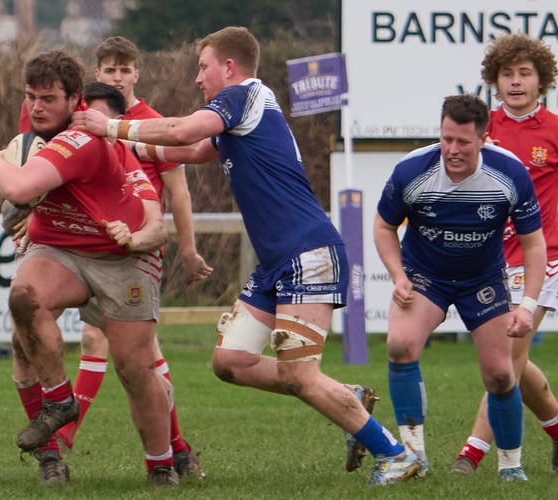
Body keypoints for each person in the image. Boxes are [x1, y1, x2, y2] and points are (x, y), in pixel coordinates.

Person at [72, 26, 421, 486]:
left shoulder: (243, 94)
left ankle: (395, 454)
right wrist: (122, 147)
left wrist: (111, 127)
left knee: (299, 375)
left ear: (229, 67)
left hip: (308, 253)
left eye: (203, 67)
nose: (198, 78)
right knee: (230, 362)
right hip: (280, 262)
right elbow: (191, 147)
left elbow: (183, 128)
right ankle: (340, 396)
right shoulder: (239, 114)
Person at [0, 48, 179, 487]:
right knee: (23, 307)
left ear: (75, 101)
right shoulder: (36, 118)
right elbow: (26, 191)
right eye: (31, 96)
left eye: (48, 98)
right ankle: (57, 417)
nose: (37, 107)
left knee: (134, 368)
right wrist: (26, 215)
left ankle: (162, 462)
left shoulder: (82, 137)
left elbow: (16, 182)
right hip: (59, 247)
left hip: (121, 254)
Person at [51, 36, 210, 479]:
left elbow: (178, 191)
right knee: (105, 345)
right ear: (97, 73)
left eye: (125, 70)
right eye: (109, 70)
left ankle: (167, 449)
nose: (117, 76)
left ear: (136, 74)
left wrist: (189, 248)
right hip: (87, 248)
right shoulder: (79, 115)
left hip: (137, 249)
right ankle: (174, 450)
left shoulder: (154, 122)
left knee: (140, 357)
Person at [373, 93, 546, 482]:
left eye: (463, 142)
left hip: (482, 281)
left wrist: (528, 304)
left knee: (501, 375)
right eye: (446, 139)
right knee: (400, 345)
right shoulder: (412, 170)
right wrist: (399, 275)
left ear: (483, 139)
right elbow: (384, 227)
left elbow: (534, 245)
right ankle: (413, 455)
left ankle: (510, 466)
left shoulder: (510, 173)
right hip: (424, 276)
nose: (452, 150)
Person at [451, 33, 558, 476]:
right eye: (507, 74)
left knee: (505, 354)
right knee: (515, 360)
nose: (516, 82)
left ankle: (471, 453)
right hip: (490, 260)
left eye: (525, 73)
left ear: (542, 80)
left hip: (544, 258)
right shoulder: (483, 131)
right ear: (495, 80)